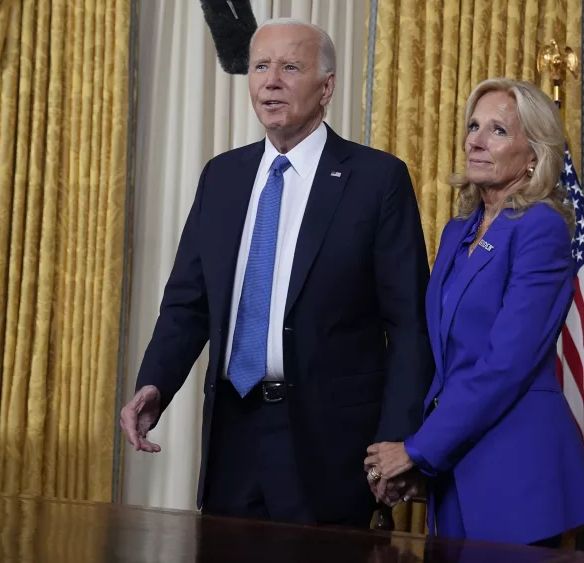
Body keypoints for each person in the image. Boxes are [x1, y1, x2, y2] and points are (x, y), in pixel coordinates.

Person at [118, 18, 433, 527]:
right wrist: (156, 383)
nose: (271, 80)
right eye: (261, 66)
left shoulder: (377, 180)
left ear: (326, 86)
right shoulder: (222, 176)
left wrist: (397, 438)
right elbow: (187, 302)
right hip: (232, 433)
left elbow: (409, 325)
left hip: (329, 443)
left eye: (290, 67)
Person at [361, 78, 584, 546]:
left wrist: (415, 449)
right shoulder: (457, 232)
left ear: (534, 154)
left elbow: (503, 365)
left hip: (517, 471)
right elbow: (445, 360)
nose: (476, 140)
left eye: (498, 131)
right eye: (473, 126)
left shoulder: (541, 229)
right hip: (457, 465)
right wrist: (424, 463)